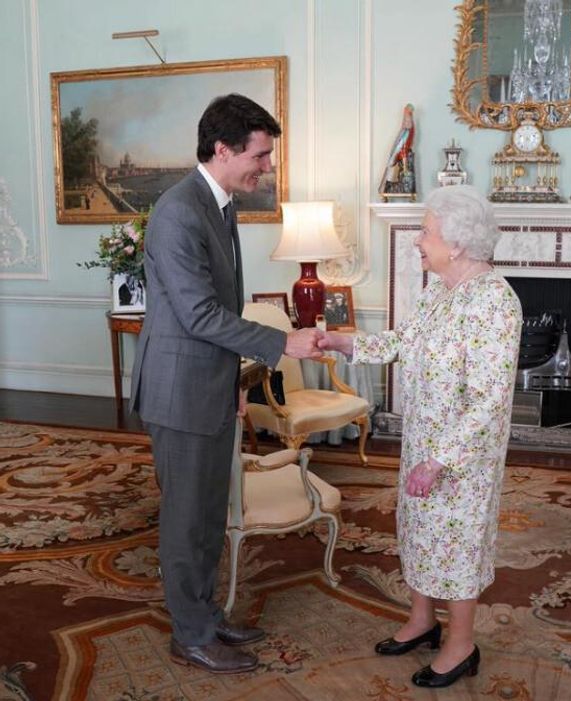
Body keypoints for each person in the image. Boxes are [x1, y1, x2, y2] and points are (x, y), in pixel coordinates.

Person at [129, 93, 324, 674]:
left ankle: (206, 620)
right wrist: (280, 343)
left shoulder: (219, 204)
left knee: (211, 513)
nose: (266, 166)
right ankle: (190, 635)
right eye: (261, 155)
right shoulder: (178, 212)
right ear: (223, 148)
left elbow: (218, 308)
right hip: (179, 393)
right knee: (187, 523)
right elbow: (198, 315)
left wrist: (235, 379)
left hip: (208, 385)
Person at [318, 185, 522, 688]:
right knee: (419, 530)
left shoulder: (495, 302)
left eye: (426, 231)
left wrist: (441, 460)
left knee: (457, 543)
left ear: (455, 243)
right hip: (423, 439)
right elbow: (402, 341)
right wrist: (341, 341)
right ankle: (422, 620)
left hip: (461, 455)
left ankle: (461, 643)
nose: (417, 240)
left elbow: (489, 399)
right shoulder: (439, 290)